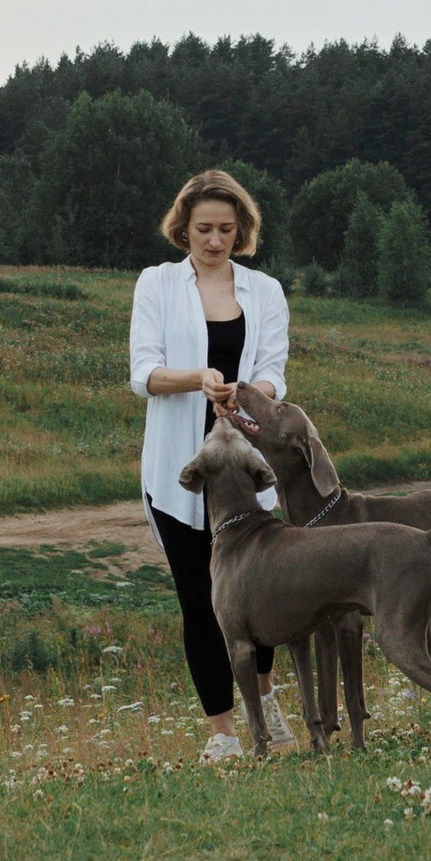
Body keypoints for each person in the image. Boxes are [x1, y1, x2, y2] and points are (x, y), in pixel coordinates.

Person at [130, 168, 292, 758]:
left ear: (241, 229)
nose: (215, 240)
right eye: (204, 228)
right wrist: (197, 379)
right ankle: (222, 734)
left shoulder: (265, 291)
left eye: (226, 228)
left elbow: (274, 373)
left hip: (248, 471)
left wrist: (246, 393)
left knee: (260, 594)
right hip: (180, 473)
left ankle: (264, 702)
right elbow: (143, 374)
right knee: (200, 601)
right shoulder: (157, 283)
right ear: (184, 228)